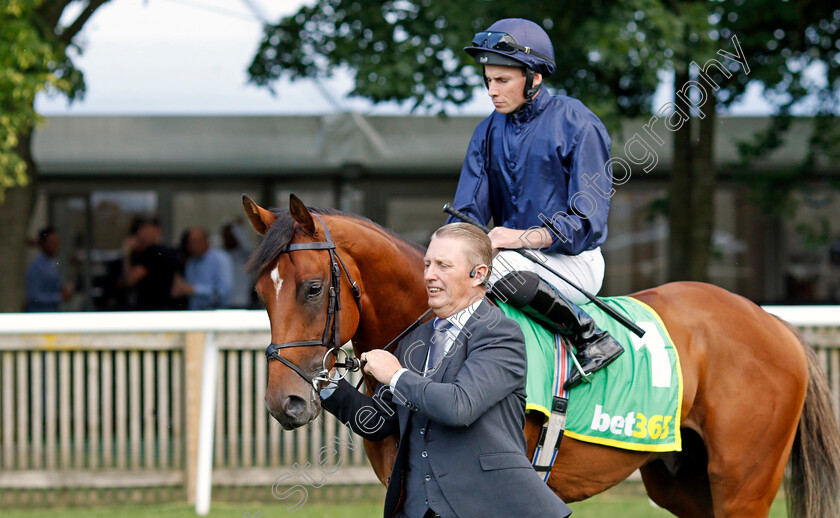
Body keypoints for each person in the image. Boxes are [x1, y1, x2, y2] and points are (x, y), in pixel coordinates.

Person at [320, 223, 572, 518]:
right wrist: (324, 382)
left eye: (443, 265)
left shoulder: (500, 334)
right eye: (427, 264)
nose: (429, 275)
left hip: (488, 508)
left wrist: (396, 376)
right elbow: (380, 423)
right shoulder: (414, 340)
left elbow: (459, 406)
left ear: (478, 274)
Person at [448, 18, 623, 388]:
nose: (492, 90)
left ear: (535, 77)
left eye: (502, 81)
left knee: (494, 267)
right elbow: (468, 214)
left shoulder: (577, 122)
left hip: (574, 262)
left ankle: (589, 336)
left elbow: (587, 225)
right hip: (510, 260)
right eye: (488, 80)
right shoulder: (486, 130)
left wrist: (518, 237)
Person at [122, 215, 180, 310]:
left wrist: (127, 252)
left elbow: (130, 279)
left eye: (145, 229)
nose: (141, 233)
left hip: (154, 308)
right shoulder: (156, 251)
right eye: (140, 229)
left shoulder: (156, 252)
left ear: (157, 230)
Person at [171, 227, 233, 310]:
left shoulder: (221, 259)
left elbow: (225, 291)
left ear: (205, 241)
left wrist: (194, 290)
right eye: (190, 243)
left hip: (216, 313)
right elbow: (187, 288)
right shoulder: (191, 262)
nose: (192, 246)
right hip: (194, 313)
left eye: (195, 242)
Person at [25, 227, 72, 312]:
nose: (54, 245)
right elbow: (33, 296)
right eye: (51, 242)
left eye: (56, 242)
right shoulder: (36, 266)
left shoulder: (53, 263)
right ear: (43, 243)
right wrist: (59, 297)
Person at [221, 221, 254, 309]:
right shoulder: (222, 256)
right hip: (225, 303)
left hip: (242, 302)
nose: (228, 239)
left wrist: (236, 227)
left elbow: (246, 245)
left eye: (230, 236)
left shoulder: (244, 255)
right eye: (226, 237)